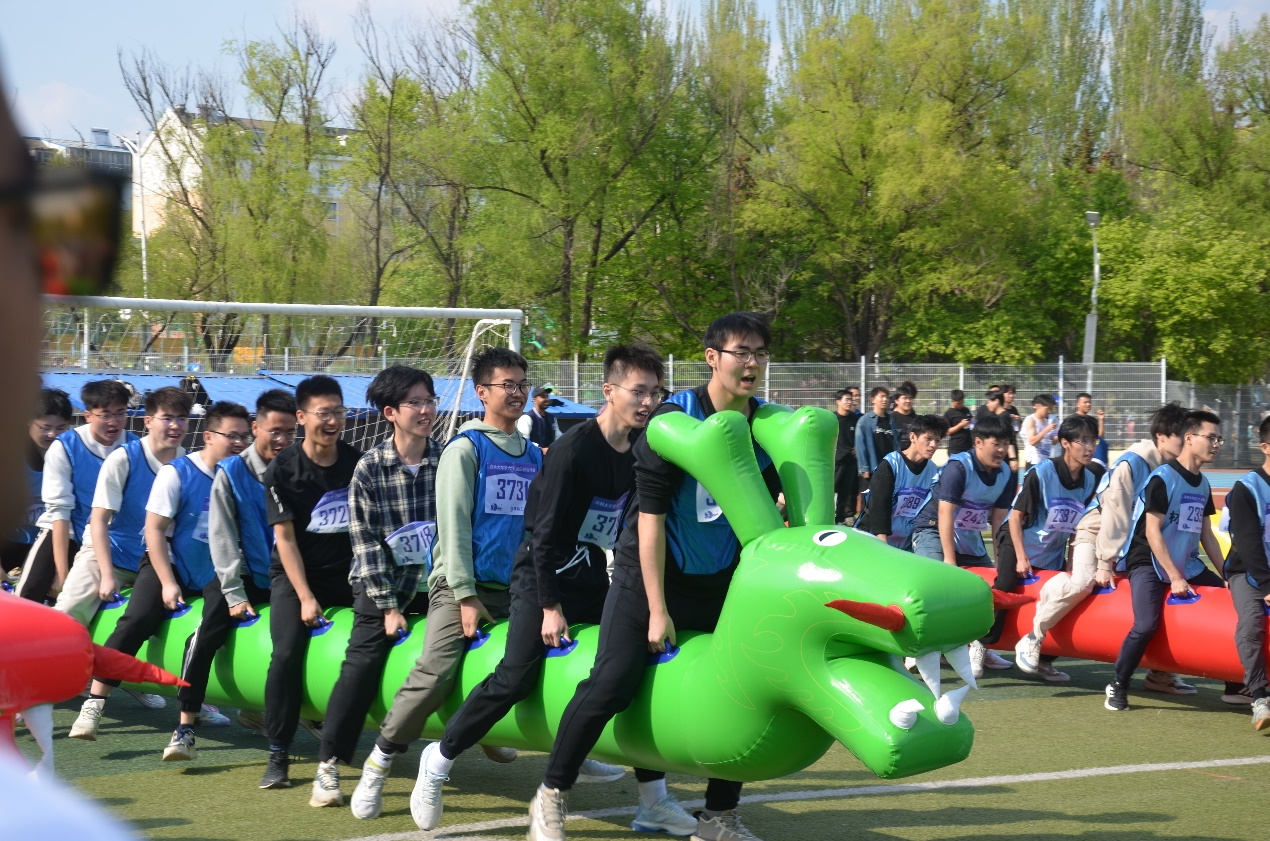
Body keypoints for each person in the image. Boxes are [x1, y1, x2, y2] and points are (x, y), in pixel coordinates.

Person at [409, 344, 694, 835]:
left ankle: (653, 801)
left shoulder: (644, 448)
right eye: (638, 391)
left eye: (656, 392)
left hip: (591, 574)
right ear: (609, 391)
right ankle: (439, 759)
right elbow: (540, 536)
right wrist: (549, 606)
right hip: (541, 575)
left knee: (632, 668)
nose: (648, 402)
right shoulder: (573, 449)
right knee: (515, 677)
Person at [526, 312, 779, 841]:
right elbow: (649, 519)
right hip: (649, 572)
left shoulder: (766, 424)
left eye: (759, 353)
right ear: (712, 358)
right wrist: (658, 609)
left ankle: (718, 817)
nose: (752, 362)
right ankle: (551, 793)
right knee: (612, 681)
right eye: (741, 352)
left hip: (722, 577)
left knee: (739, 688)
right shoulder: (672, 418)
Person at [364, 348, 560, 827]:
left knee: (543, 660)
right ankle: (381, 759)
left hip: (517, 586)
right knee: (435, 671)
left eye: (521, 384)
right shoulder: (465, 448)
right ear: (482, 392)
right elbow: (452, 529)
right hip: (460, 586)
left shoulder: (532, 453)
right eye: (506, 385)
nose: (516, 392)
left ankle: (563, 749)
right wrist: (466, 596)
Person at [69, 401, 249, 741]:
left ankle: (217, 707)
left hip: (215, 571)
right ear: (209, 436)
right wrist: (167, 583)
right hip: (168, 562)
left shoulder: (242, 477)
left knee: (217, 630)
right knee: (137, 618)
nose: (239, 443)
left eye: (244, 437)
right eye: (232, 436)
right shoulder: (177, 472)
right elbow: (154, 532)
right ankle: (95, 701)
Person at [307, 366, 439, 808]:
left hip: (435, 582)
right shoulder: (369, 467)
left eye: (429, 400)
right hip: (384, 583)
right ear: (390, 413)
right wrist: (388, 606)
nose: (426, 410)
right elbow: (364, 543)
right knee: (361, 663)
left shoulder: (447, 460)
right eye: (415, 402)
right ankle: (328, 764)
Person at [160, 389, 298, 760]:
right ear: (257, 428)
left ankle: (283, 712)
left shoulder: (298, 468)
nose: (282, 439)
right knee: (205, 635)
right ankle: (185, 726)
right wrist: (234, 593)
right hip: (241, 574)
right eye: (275, 431)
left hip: (288, 575)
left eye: (289, 432)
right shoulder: (232, 472)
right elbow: (221, 538)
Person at [1016, 403, 1189, 693]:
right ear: (1163, 436)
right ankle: (1033, 636)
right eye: (1183, 435)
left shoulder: (1174, 468)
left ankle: (1160, 674)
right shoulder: (1132, 464)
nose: (1188, 441)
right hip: (1095, 533)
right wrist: (1105, 562)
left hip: (1133, 543)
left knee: (1157, 595)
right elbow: (1114, 514)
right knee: (1083, 582)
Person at [259, 376, 361, 790]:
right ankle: (278, 752)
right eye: (324, 413)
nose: (333, 421)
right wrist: (304, 597)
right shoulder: (281, 470)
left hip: (348, 574)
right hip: (295, 576)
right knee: (285, 654)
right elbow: (284, 541)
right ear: (301, 418)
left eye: (339, 412)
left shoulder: (357, 463)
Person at [1104, 410, 1227, 712]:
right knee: (1146, 625)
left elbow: (1206, 535)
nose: (1216, 445)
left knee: (1230, 599)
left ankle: (1238, 685)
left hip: (1185, 562)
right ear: (1190, 438)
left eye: (1218, 439)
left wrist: (1227, 575)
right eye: (1211, 438)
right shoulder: (1163, 478)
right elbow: (1152, 532)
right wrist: (1174, 576)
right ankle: (1119, 683)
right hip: (1148, 560)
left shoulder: (1202, 483)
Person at [54, 387, 190, 629]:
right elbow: (98, 521)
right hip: (110, 555)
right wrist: (107, 575)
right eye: (167, 418)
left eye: (182, 418)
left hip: (154, 562)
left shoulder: (188, 464)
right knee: (67, 615)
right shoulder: (123, 458)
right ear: (148, 421)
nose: (175, 426)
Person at [978, 414, 1099, 681]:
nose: (1089, 447)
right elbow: (1015, 518)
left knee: (1068, 594)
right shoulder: (1042, 472)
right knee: (1005, 584)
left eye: (1093, 441)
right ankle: (980, 643)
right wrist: (1021, 557)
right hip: (1017, 539)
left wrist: (1071, 563)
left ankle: (1044, 658)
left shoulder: (1090, 480)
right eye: (1083, 441)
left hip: (1051, 550)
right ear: (1065, 443)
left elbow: (1076, 527)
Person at [909, 413, 1016, 672]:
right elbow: (945, 514)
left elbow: (999, 521)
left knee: (992, 588)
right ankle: (917, 649)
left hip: (968, 536)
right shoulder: (958, 468)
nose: (1001, 450)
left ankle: (982, 646)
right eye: (996, 443)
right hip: (932, 530)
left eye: (1005, 444)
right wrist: (949, 561)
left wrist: (1000, 563)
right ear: (978, 442)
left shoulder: (1005, 473)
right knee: (936, 585)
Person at [14, 380, 135, 605]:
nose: (113, 421)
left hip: (111, 537)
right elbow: (60, 514)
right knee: (29, 593)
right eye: (105, 415)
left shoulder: (135, 447)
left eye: (120, 413)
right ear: (88, 416)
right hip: (66, 531)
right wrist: (62, 573)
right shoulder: (64, 446)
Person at [1223, 415, 1270, 730]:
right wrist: (1267, 585)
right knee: (1251, 624)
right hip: (1249, 573)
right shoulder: (1247, 488)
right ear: (1265, 447)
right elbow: (1248, 543)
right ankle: (1259, 697)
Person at [1, 388, 72, 584]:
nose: (52, 434)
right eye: (45, 427)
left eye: (61, 428)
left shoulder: (71, 455)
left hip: (49, 544)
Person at [860, 414, 945, 550]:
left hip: (909, 542)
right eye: (928, 439)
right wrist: (882, 545)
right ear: (913, 437)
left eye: (937, 440)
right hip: (877, 539)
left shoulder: (933, 471)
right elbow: (879, 506)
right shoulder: (891, 464)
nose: (933, 445)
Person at [854, 386, 894, 505]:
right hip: (871, 470)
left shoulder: (891, 420)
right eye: (882, 396)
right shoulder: (864, 421)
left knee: (885, 502)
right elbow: (860, 446)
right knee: (868, 504)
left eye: (887, 397)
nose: (885, 399)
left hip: (888, 469)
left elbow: (896, 444)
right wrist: (864, 468)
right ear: (873, 399)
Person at [832, 387, 861, 525]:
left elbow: (860, 438)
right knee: (831, 490)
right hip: (836, 462)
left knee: (846, 492)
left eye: (851, 399)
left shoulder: (855, 419)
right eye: (847, 399)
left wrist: (858, 447)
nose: (850, 402)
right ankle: (828, 516)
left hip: (850, 462)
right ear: (838, 401)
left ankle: (840, 518)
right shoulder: (832, 419)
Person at [518, 383, 562, 452]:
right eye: (543, 396)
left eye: (547, 396)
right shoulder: (527, 418)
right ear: (534, 399)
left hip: (551, 457)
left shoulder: (552, 418)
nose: (546, 399)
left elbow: (558, 438)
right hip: (533, 457)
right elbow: (523, 442)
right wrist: (541, 450)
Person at [1020, 395, 1058, 472]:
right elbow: (1032, 441)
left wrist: (1058, 434)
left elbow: (1054, 442)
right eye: (1048, 408)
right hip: (1034, 462)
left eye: (1051, 409)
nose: (1050, 412)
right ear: (1038, 406)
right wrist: (1046, 430)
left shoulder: (1047, 421)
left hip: (1045, 461)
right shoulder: (1031, 420)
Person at [1075, 392, 1110, 470]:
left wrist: (1101, 420)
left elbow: (1099, 438)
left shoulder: (1092, 420)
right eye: (1085, 402)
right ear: (1077, 404)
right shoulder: (1072, 420)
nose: (1088, 404)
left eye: (1089, 402)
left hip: (1091, 457)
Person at [944, 389, 973, 456]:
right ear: (952, 401)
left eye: (962, 402)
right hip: (956, 448)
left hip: (968, 446)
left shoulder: (966, 410)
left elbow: (971, 421)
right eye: (958, 403)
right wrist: (960, 425)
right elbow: (947, 432)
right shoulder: (948, 413)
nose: (960, 405)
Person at [890, 381, 918, 445]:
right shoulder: (890, 419)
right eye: (905, 398)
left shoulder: (917, 420)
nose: (908, 401)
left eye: (910, 398)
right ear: (896, 401)